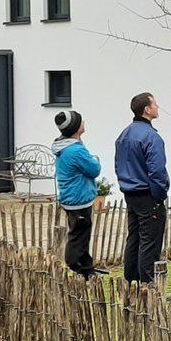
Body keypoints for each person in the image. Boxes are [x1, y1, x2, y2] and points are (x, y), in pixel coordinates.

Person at [116, 92, 169, 284]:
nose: (158, 107)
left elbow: (118, 164)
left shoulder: (124, 134)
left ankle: (131, 280)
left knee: (135, 238)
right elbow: (157, 171)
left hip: (130, 193)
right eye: (155, 104)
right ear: (147, 109)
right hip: (148, 194)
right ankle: (147, 284)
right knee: (149, 241)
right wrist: (159, 195)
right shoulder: (150, 137)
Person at [53, 110, 102, 279]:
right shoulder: (74, 151)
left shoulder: (65, 145)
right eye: (80, 121)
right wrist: (95, 159)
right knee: (78, 236)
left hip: (72, 197)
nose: (83, 123)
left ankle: (87, 269)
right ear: (75, 127)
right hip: (78, 198)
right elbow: (94, 169)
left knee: (81, 234)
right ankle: (75, 267)